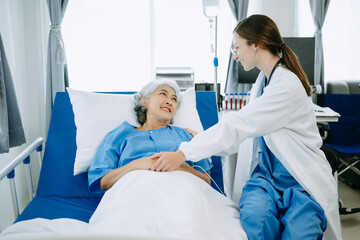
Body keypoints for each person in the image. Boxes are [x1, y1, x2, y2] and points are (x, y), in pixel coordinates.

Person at [150, 15, 341, 240]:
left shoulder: (286, 86)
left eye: (237, 47)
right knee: (256, 226)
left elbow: (239, 125)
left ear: (256, 44)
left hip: (299, 180)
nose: (235, 55)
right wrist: (202, 139)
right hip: (265, 179)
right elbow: (243, 131)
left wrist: (184, 153)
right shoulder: (262, 82)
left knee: (300, 234)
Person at [88, 79, 213, 193]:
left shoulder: (186, 136)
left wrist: (182, 166)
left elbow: (206, 182)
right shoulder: (120, 136)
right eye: (163, 94)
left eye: (174, 99)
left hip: (181, 194)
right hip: (133, 194)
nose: (170, 101)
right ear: (144, 101)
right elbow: (103, 182)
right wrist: (138, 164)